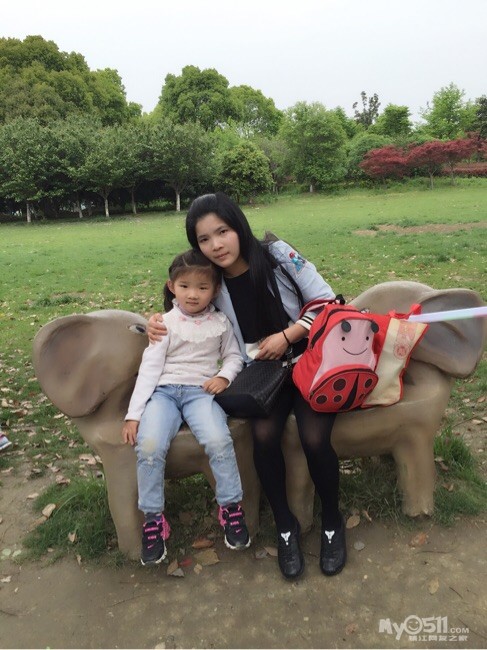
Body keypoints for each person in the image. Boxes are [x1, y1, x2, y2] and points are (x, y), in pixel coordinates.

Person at [148, 192, 346, 580]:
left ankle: (332, 521)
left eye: (222, 231)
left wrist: (288, 336)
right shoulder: (211, 279)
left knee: (314, 438)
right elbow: (183, 304)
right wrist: (154, 321)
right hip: (262, 375)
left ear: (238, 225)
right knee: (264, 437)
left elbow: (328, 301)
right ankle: (285, 525)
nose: (216, 245)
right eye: (204, 239)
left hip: (309, 361)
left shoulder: (276, 255)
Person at [123, 248, 250, 567]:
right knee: (149, 445)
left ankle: (231, 507)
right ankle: (153, 519)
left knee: (218, 440)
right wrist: (134, 414)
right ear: (172, 287)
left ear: (215, 290)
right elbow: (150, 368)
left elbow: (234, 356)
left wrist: (223, 376)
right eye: (184, 286)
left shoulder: (220, 323)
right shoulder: (164, 323)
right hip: (164, 394)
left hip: (201, 393)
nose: (193, 294)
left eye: (202, 287)